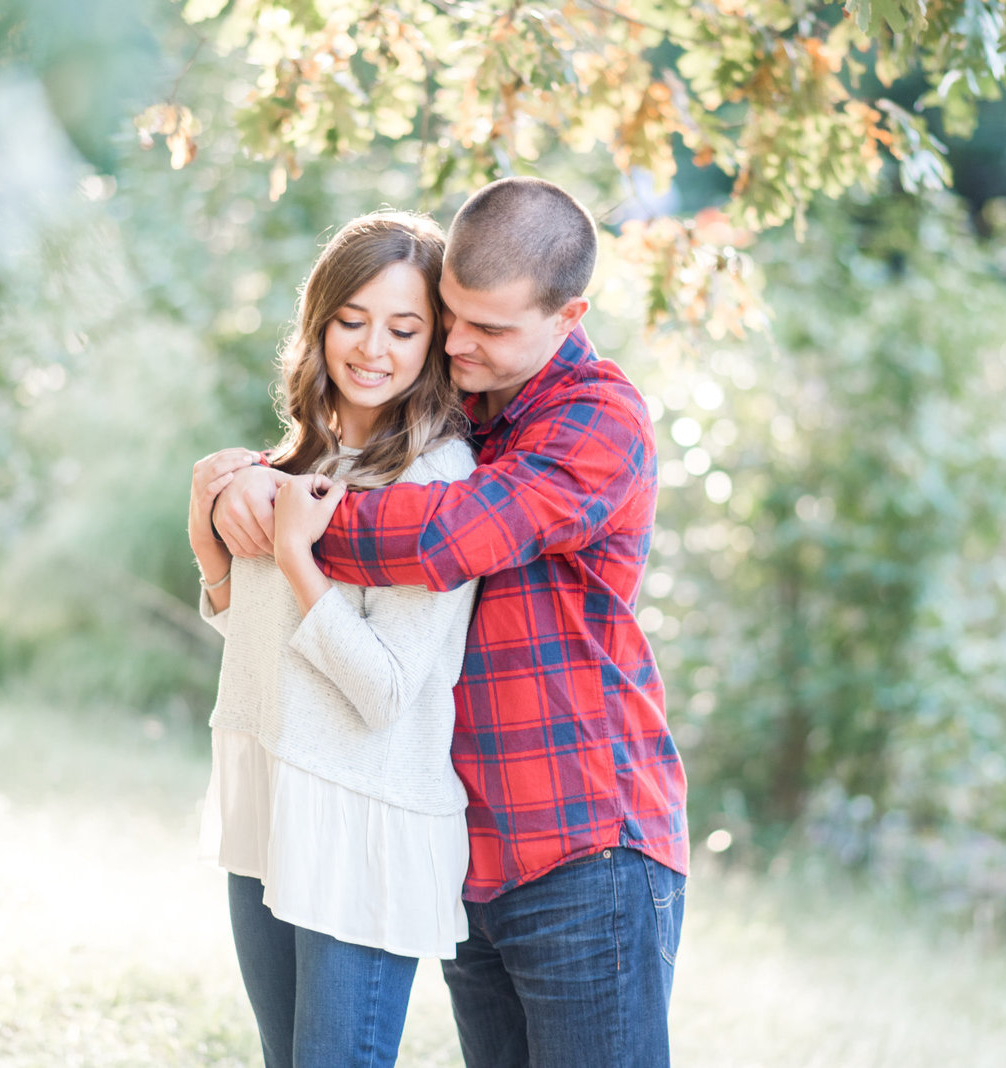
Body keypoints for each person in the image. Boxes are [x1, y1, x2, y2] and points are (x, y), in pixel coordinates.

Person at [213, 176, 690, 1066]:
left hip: (587, 849)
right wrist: (247, 474)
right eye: (451, 317)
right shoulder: (464, 400)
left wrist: (284, 510)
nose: (458, 345)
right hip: (475, 852)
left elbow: (444, 537)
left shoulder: (596, 420)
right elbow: (349, 442)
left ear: (567, 314)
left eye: (491, 329)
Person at [185, 211, 478, 1068]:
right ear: (319, 321)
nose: (372, 348)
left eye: (403, 326)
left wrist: (295, 558)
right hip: (272, 794)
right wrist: (210, 538)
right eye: (352, 319)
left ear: (434, 340)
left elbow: (384, 692)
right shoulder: (299, 460)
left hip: (363, 815)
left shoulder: (437, 476)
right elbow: (260, 641)